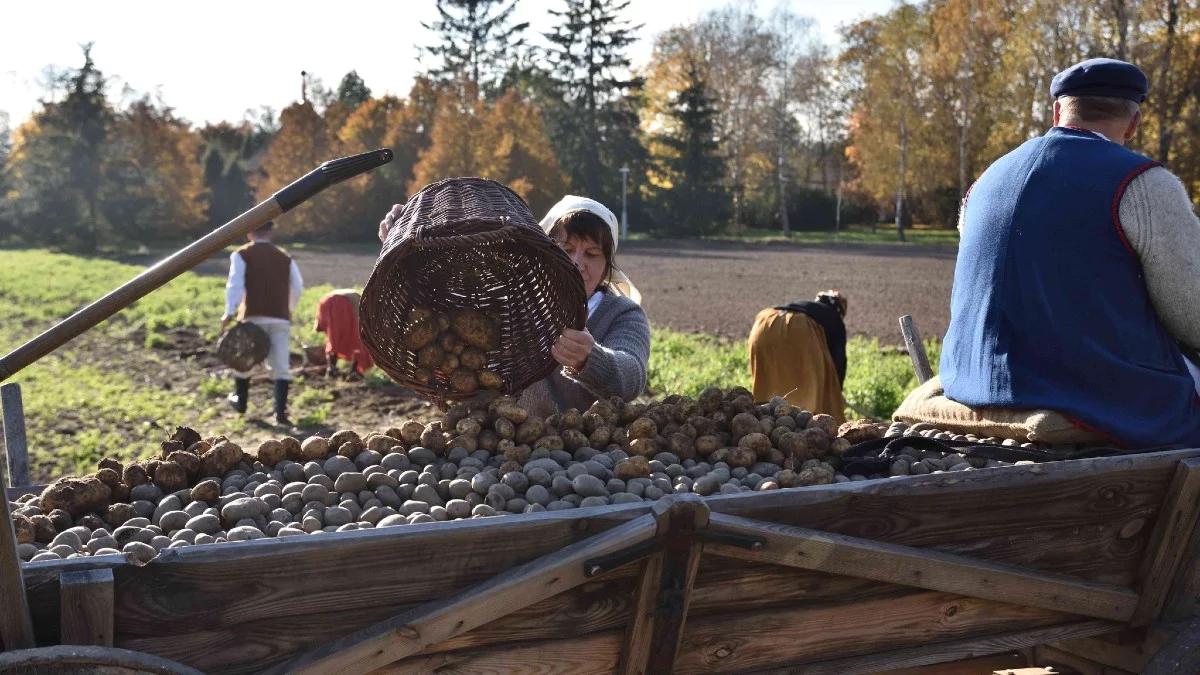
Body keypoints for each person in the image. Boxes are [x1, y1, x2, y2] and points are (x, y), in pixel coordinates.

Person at [940, 57, 1200, 449]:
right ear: (1134, 123)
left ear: (1058, 110)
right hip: (1091, 394)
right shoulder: (1145, 183)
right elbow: (1191, 314)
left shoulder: (985, 179)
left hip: (969, 376)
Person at [377, 195, 650, 417]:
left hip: (582, 450)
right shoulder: (510, 301)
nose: (578, 263)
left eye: (592, 254)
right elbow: (444, 316)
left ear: (607, 268)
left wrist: (590, 359)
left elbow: (631, 376)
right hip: (503, 440)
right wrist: (406, 242)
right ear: (546, 253)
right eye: (566, 249)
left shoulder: (622, 314)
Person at [221, 221, 304, 425]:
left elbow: (235, 285)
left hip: (252, 317)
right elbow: (298, 287)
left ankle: (241, 402)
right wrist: (288, 309)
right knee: (281, 365)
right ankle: (281, 414)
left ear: (249, 233)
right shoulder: (285, 257)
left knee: (244, 359)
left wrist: (229, 312)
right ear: (271, 232)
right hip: (280, 317)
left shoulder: (241, 254)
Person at [748, 291, 848, 423]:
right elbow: (838, 360)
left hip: (764, 323)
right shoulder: (833, 317)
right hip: (799, 329)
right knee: (808, 399)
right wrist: (836, 393)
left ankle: (763, 419)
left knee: (768, 386)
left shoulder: (808, 309)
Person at [314, 289, 373, 378]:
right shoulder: (365, 307)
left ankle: (331, 369)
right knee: (358, 341)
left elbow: (320, 326)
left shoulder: (360, 301)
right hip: (342, 304)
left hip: (325, 301)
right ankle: (354, 371)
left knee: (333, 339)